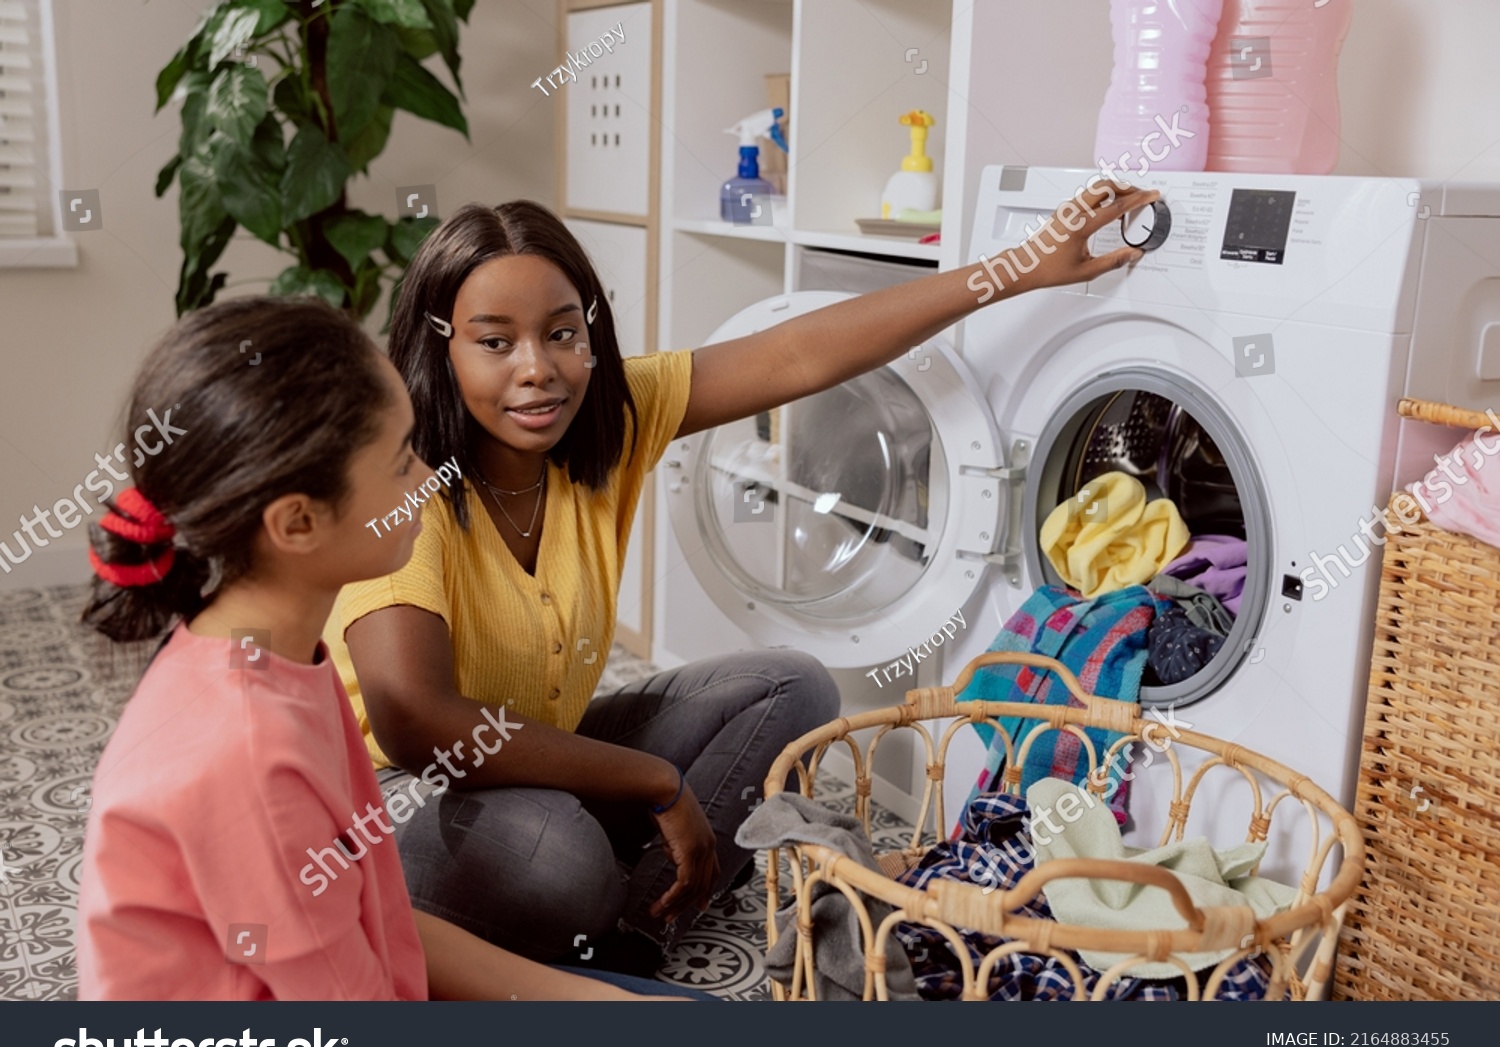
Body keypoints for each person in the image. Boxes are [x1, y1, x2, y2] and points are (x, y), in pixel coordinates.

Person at [326, 181, 1157, 975]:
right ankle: (574, 882)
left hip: (541, 750)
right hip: (401, 791)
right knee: (560, 865)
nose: (538, 368)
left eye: (563, 332)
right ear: (441, 346)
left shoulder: (608, 415)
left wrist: (1023, 267)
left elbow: (795, 353)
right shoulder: (404, 482)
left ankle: (633, 929)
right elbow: (416, 720)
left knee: (789, 686)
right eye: (495, 341)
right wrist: (656, 781)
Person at [75, 296, 700, 1000]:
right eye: (403, 459)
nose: (428, 479)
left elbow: (379, 917)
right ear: (299, 521)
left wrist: (601, 1001)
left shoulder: (281, 656)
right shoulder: (247, 754)